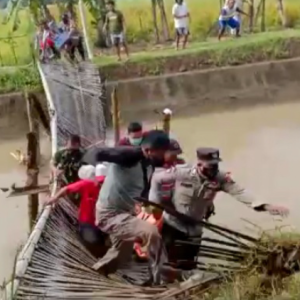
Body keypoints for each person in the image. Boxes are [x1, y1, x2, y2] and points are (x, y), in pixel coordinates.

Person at [149, 147, 289, 267]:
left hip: (195, 228)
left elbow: (239, 191)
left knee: (186, 264)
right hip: (173, 224)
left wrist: (266, 206)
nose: (213, 170)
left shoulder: (220, 178)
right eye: (210, 166)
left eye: (216, 165)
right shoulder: (180, 173)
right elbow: (156, 178)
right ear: (199, 164)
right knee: (162, 261)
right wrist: (157, 202)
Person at [82, 130, 172, 284]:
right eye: (161, 152)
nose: (164, 156)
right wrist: (94, 170)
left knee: (121, 255)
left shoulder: (151, 163)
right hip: (109, 214)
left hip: (126, 213)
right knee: (151, 232)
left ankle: (95, 274)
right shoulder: (127, 156)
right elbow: (94, 152)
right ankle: (160, 280)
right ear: (148, 150)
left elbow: (143, 188)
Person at [45, 164, 107, 249]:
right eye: (100, 181)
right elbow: (67, 189)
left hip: (103, 222)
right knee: (92, 246)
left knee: (100, 245)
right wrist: (54, 198)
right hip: (87, 222)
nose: (101, 183)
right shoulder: (88, 184)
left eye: (104, 181)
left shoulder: (112, 188)